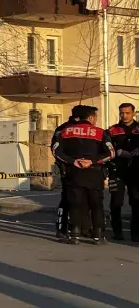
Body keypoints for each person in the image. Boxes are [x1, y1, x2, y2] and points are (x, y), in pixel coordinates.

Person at [54, 105, 112, 245]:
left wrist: (73, 161)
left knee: (75, 204)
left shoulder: (65, 131)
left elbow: (56, 151)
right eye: (95, 117)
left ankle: (75, 235)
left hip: (74, 174)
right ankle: (98, 235)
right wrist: (92, 161)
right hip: (94, 173)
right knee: (96, 204)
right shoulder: (100, 132)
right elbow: (111, 153)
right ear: (91, 117)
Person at [51, 105, 85, 242]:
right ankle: (62, 228)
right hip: (68, 168)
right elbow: (55, 149)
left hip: (84, 169)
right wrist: (68, 162)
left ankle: (80, 227)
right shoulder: (64, 130)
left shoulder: (83, 129)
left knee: (83, 199)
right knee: (66, 199)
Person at [107, 102, 139, 241]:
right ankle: (117, 232)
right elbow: (105, 148)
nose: (124, 116)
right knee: (116, 203)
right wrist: (117, 151)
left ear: (133, 113)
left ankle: (136, 234)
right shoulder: (112, 130)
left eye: (127, 113)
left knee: (137, 203)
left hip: (136, 171)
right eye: (121, 113)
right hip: (117, 170)